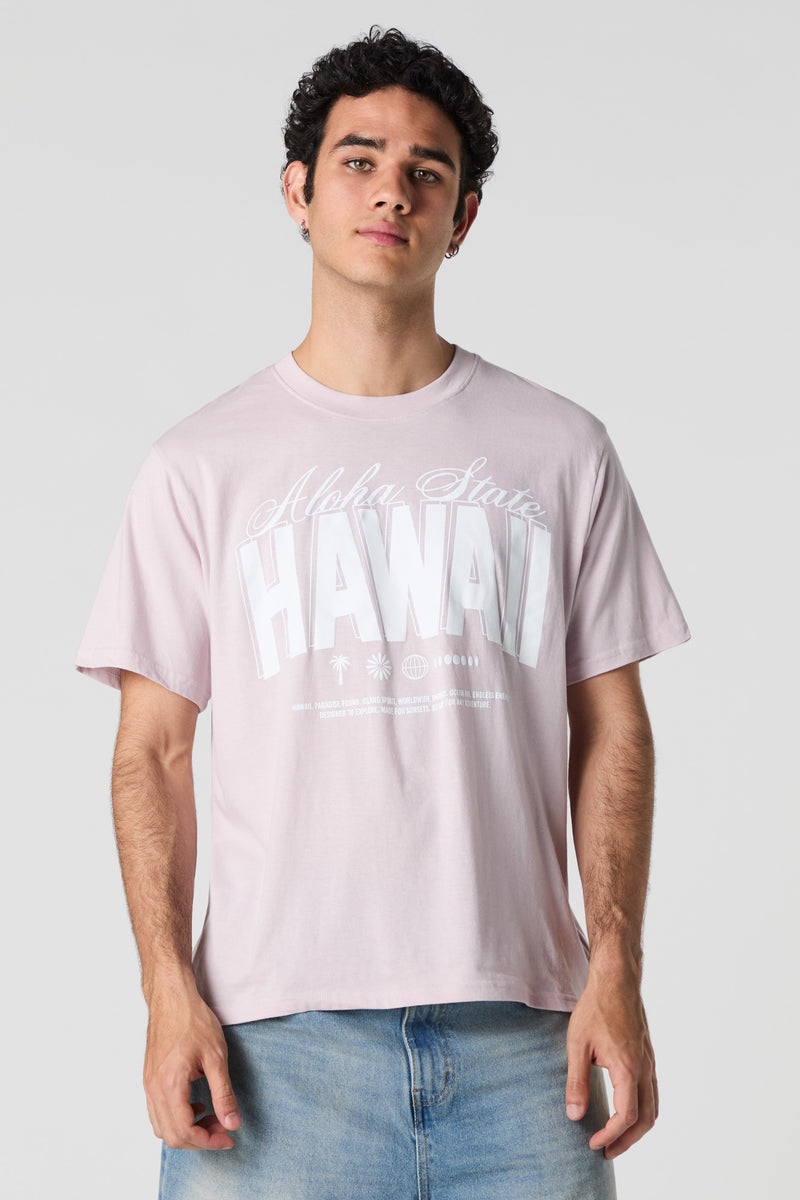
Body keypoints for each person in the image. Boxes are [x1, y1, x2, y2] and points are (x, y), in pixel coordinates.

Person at [75, 24, 690, 1200]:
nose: (390, 191)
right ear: (298, 193)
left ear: (462, 218)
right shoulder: (200, 465)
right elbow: (151, 750)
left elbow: (612, 725)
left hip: (526, 1046)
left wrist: (615, 965)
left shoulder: (558, 450)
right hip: (270, 1053)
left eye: (426, 171)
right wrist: (165, 989)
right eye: (358, 161)